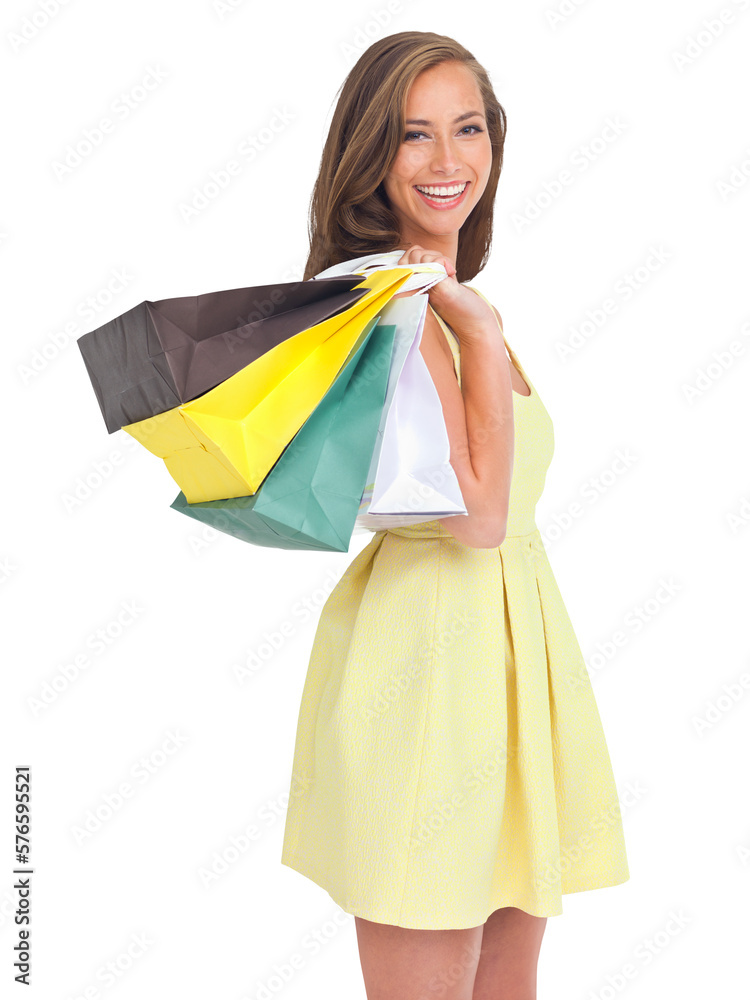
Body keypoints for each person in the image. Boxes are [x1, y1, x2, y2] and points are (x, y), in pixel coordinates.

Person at [282, 30, 629, 1000]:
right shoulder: (379, 308)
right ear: (369, 154)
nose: (448, 162)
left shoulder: (449, 301)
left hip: (508, 678)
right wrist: (479, 331)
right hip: (426, 683)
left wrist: (471, 318)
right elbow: (477, 516)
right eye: (413, 135)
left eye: (467, 128)